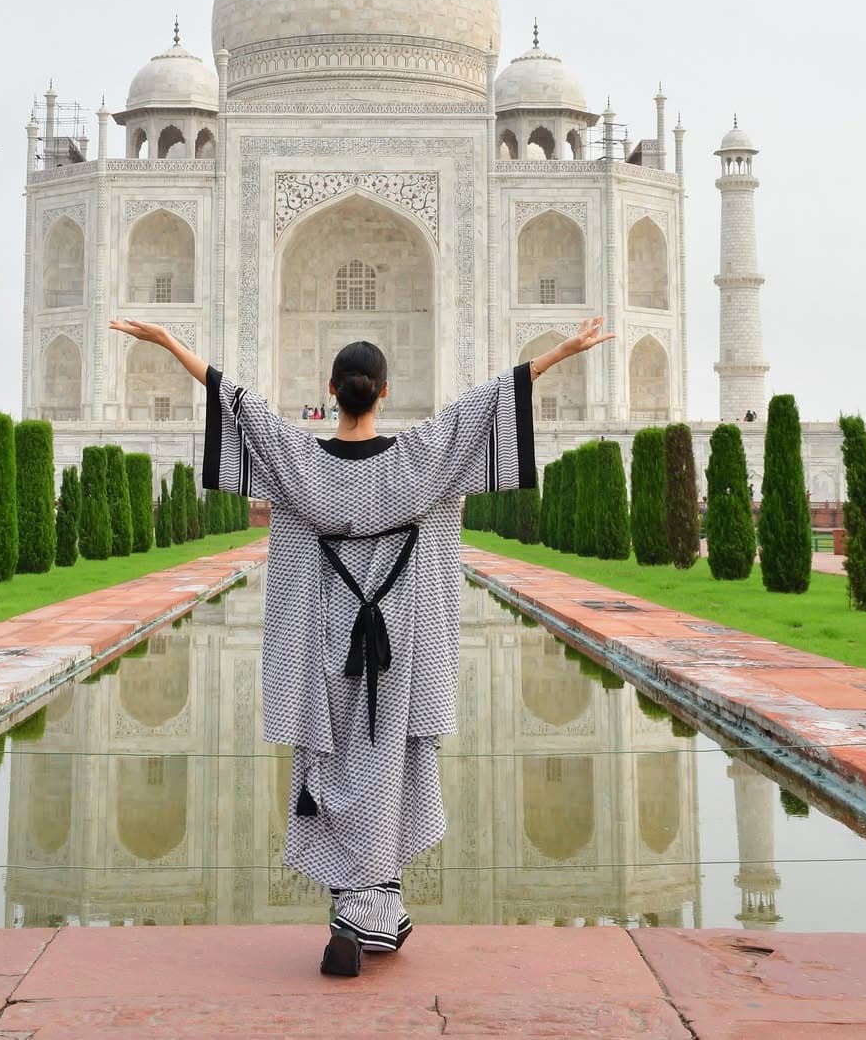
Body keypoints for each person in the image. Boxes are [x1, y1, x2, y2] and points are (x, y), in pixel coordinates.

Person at [109, 314, 613, 976]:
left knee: (332, 766)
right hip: (402, 650)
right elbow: (484, 404)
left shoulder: (300, 464)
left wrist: (171, 343)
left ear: (332, 391)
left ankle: (362, 906)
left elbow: (240, 405)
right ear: (383, 392)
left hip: (321, 648)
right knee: (390, 766)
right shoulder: (419, 462)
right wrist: (559, 352)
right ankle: (365, 912)